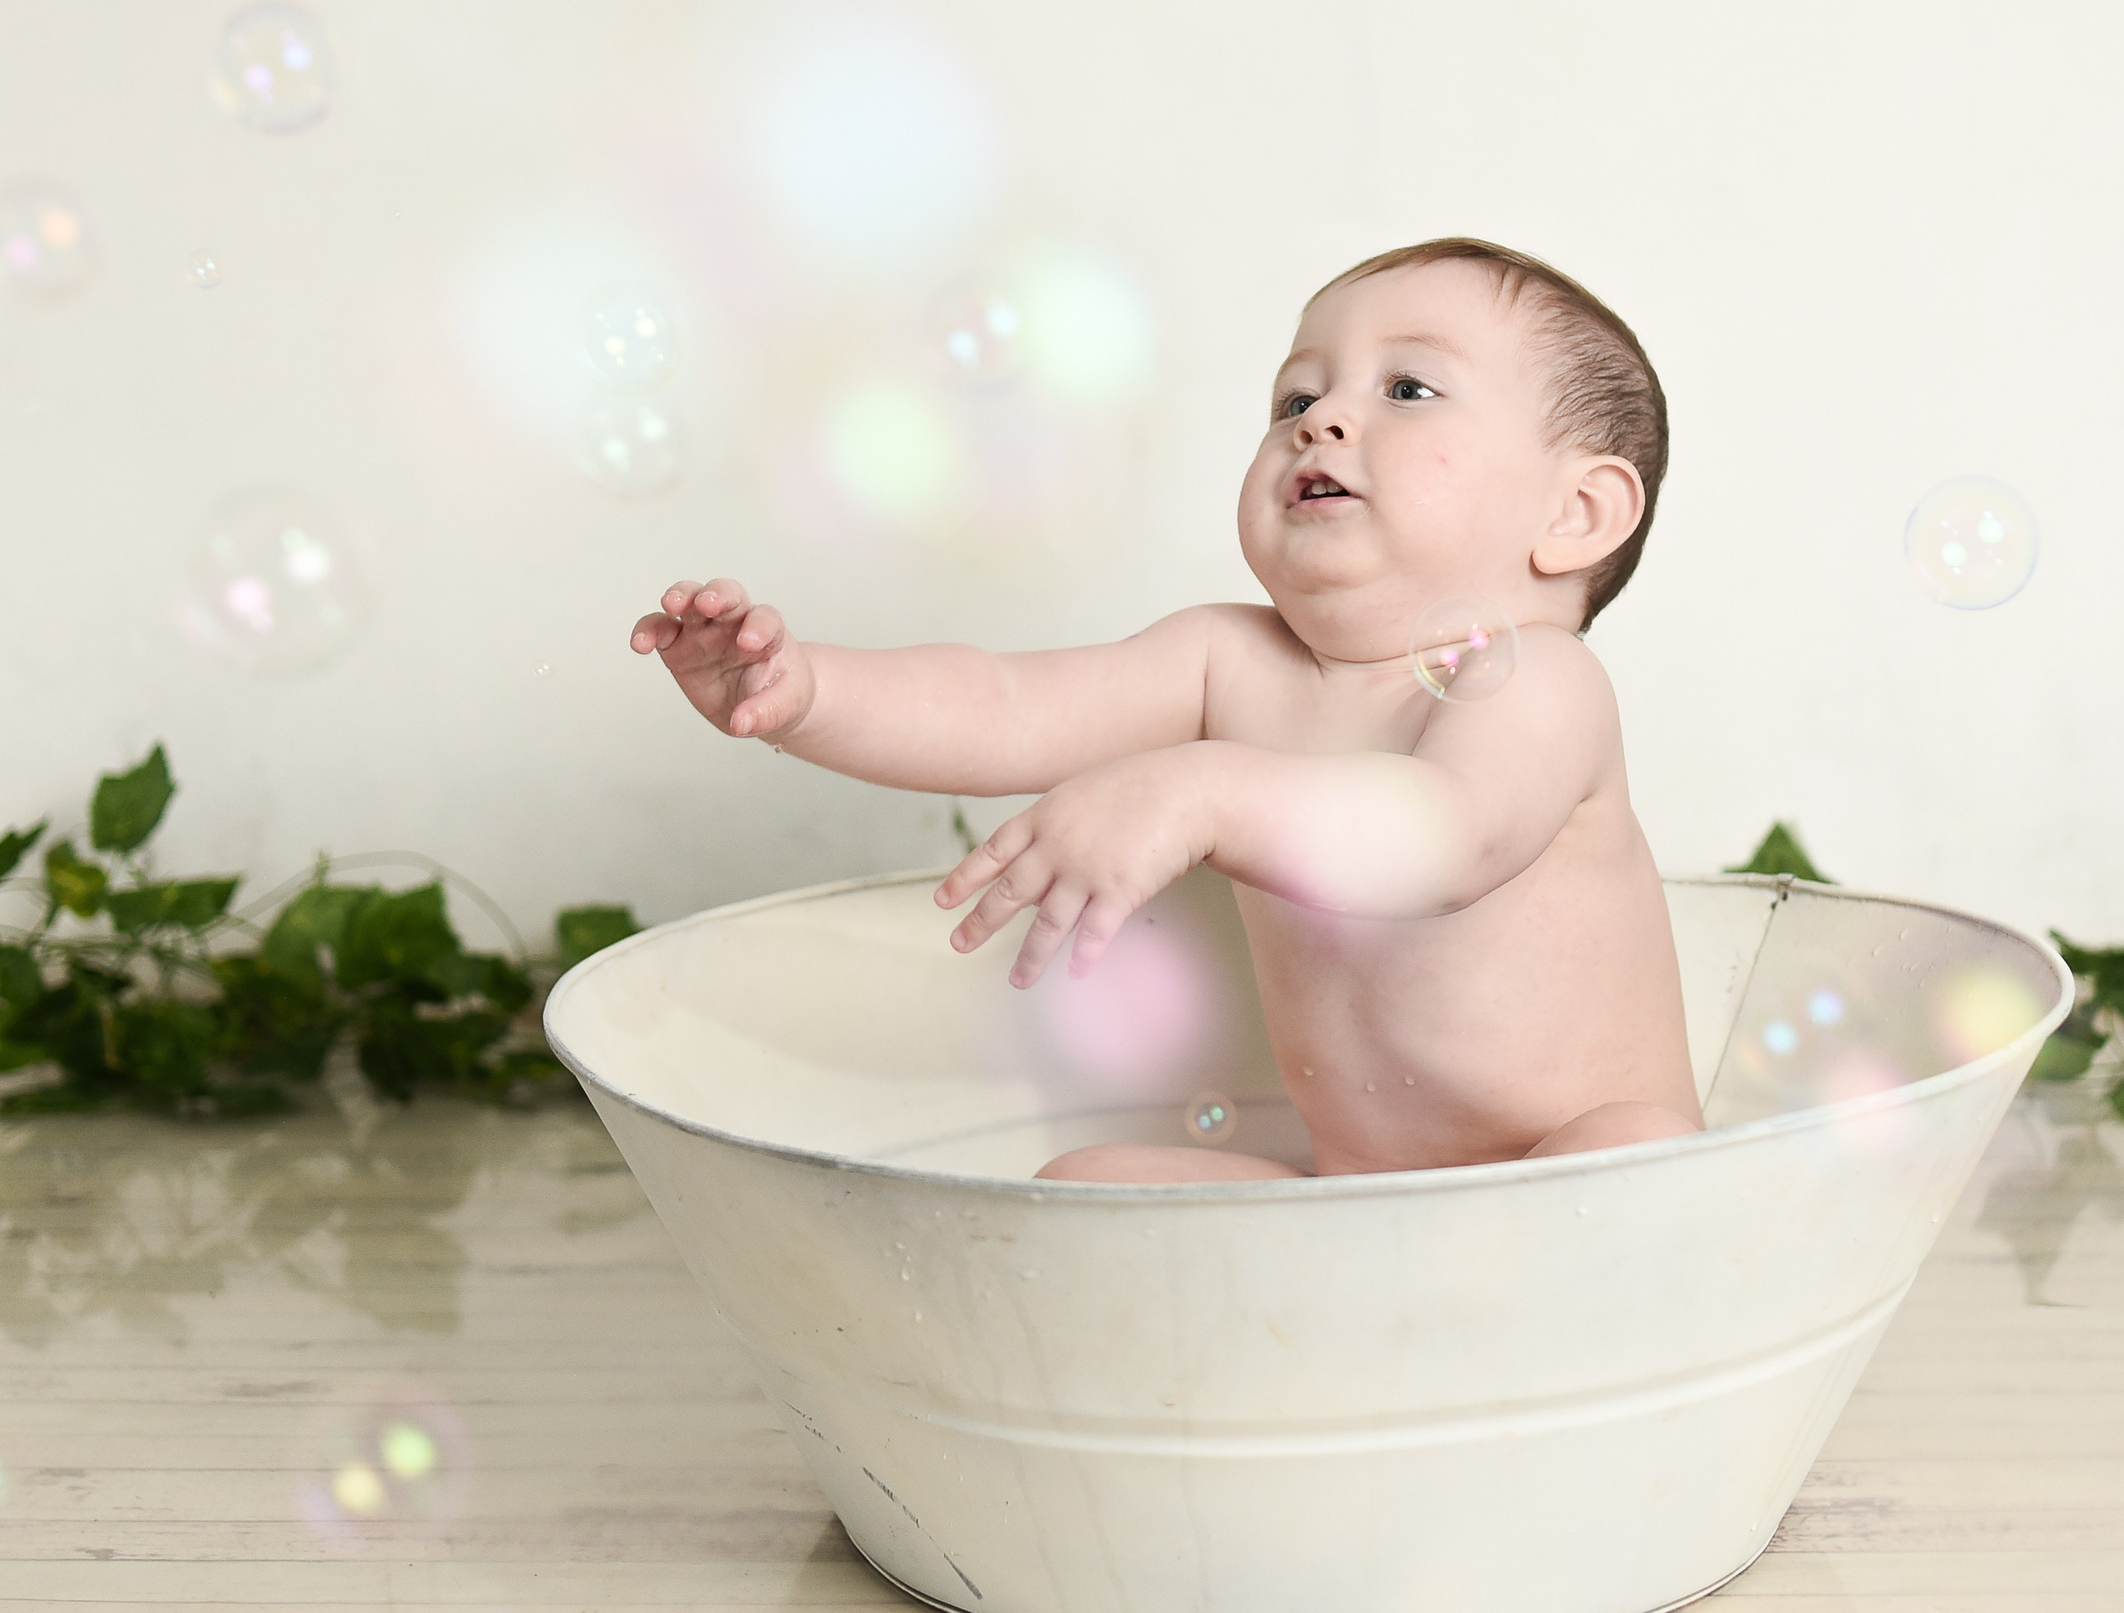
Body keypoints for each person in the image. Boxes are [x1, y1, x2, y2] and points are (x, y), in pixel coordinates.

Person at [631, 238, 1698, 1180]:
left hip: (1569, 1183)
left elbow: (1444, 839)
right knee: (1087, 1182)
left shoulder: (1538, 678)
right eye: (1294, 400)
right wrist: (807, 690)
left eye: (1408, 388)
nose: (1322, 420)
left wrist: (1199, 792)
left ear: (1576, 512)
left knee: (1631, 1150)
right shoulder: (1229, 660)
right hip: (1364, 1200)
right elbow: (1006, 706)